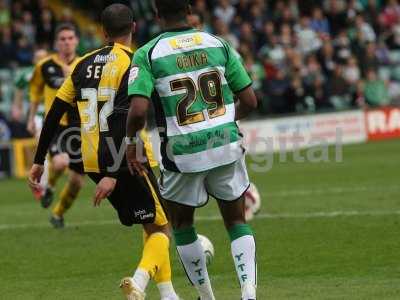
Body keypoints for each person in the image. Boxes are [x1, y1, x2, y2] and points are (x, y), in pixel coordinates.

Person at [28, 4, 179, 300]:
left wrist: (38, 161)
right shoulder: (134, 62)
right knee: (162, 227)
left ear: (102, 31)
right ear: (133, 28)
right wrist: (114, 173)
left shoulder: (81, 65)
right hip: (127, 158)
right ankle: (138, 281)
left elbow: (53, 112)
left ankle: (169, 294)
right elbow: (124, 116)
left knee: (150, 225)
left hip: (92, 161)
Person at [126, 1, 258, 299]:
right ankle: (248, 294)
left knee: (183, 224)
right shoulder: (218, 44)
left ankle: (206, 297)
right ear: (188, 10)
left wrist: (131, 144)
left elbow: (136, 112)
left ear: (157, 15)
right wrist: (222, 121)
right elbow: (250, 101)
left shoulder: (147, 54)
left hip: (182, 155)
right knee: (236, 221)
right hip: (225, 144)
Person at [27, 23, 84, 228]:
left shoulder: (84, 64)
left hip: (79, 127)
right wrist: (31, 118)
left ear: (76, 41)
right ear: (56, 43)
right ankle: (49, 187)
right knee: (59, 163)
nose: (67, 42)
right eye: (62, 39)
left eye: (70, 38)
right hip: (56, 125)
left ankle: (58, 214)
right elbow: (34, 91)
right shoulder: (44, 65)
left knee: (77, 182)